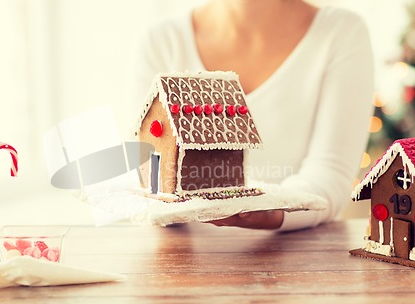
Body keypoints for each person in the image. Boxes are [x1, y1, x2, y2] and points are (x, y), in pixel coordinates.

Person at [130, 0, 374, 231]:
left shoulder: (341, 32)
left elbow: (330, 174)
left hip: (296, 258)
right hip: (178, 257)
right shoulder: (162, 40)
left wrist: (273, 209)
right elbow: (142, 162)